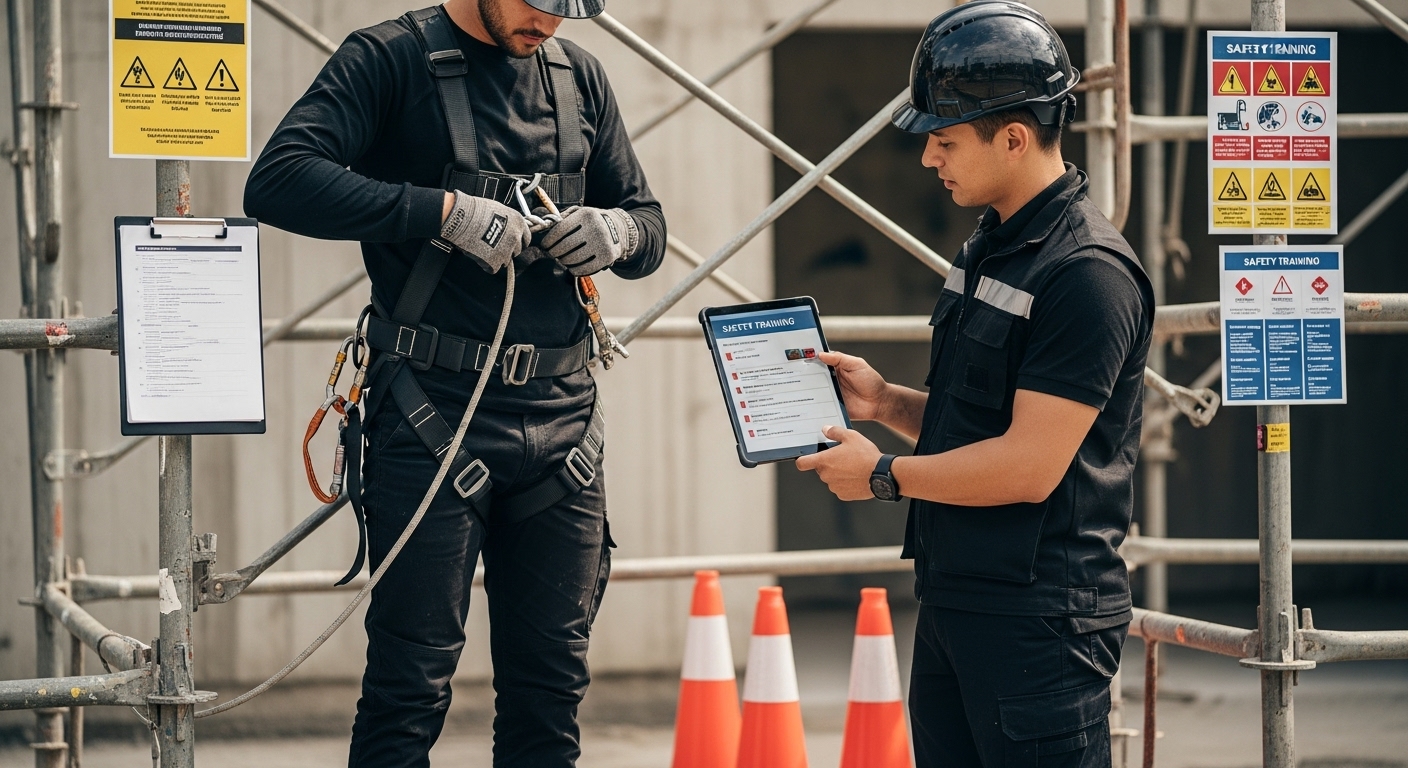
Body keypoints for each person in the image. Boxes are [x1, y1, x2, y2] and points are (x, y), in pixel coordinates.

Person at [243, 0, 665, 764]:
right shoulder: (390, 59)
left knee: (550, 693)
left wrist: (619, 231)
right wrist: (438, 211)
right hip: (431, 417)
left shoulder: (580, 79)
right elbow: (279, 180)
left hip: (564, 426)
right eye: (536, 2)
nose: (549, 23)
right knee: (410, 689)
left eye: (564, 10)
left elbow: (648, 223)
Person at [796, 2, 1153, 766]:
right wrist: (885, 403)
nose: (930, 157)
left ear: (1015, 137)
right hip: (957, 599)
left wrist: (883, 476)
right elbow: (982, 423)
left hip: (1041, 624)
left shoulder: (1086, 275)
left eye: (947, 139)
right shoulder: (991, 247)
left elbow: (1028, 466)